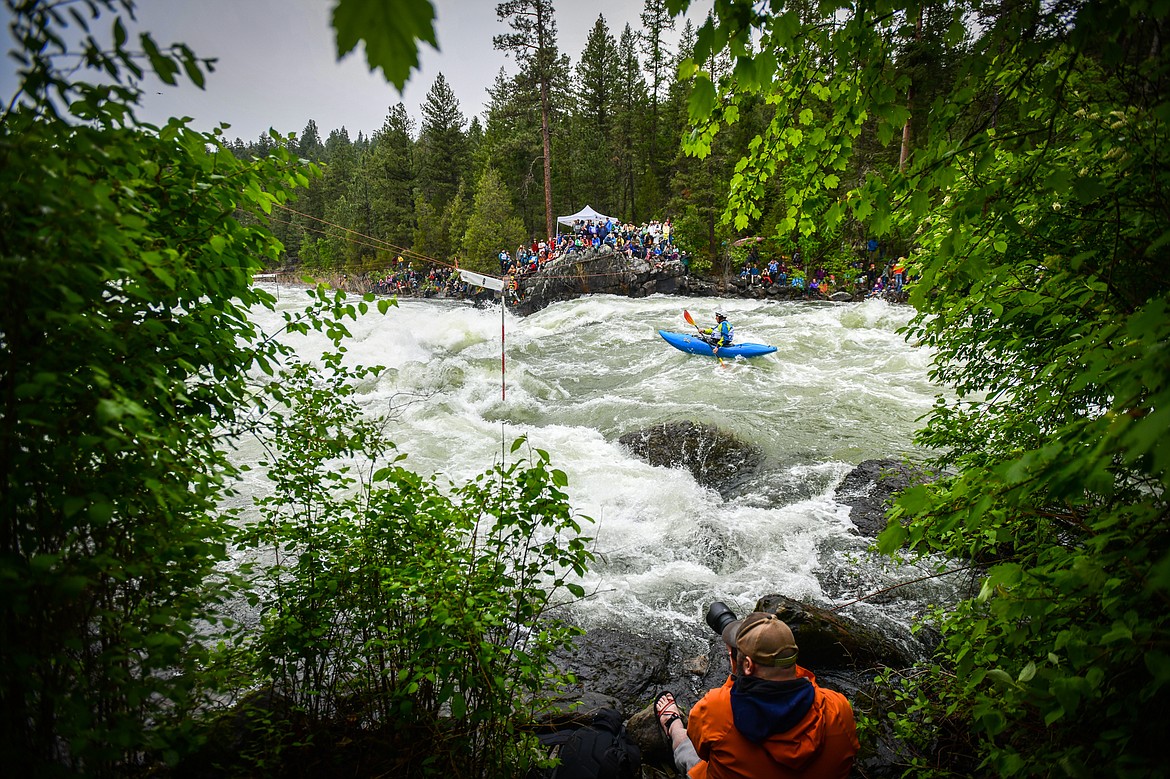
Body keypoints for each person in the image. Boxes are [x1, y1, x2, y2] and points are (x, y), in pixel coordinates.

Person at [655, 611, 859, 778]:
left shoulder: (716, 709)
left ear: (748, 664)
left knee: (688, 748)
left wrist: (737, 676)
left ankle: (672, 725)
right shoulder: (837, 707)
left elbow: (703, 750)